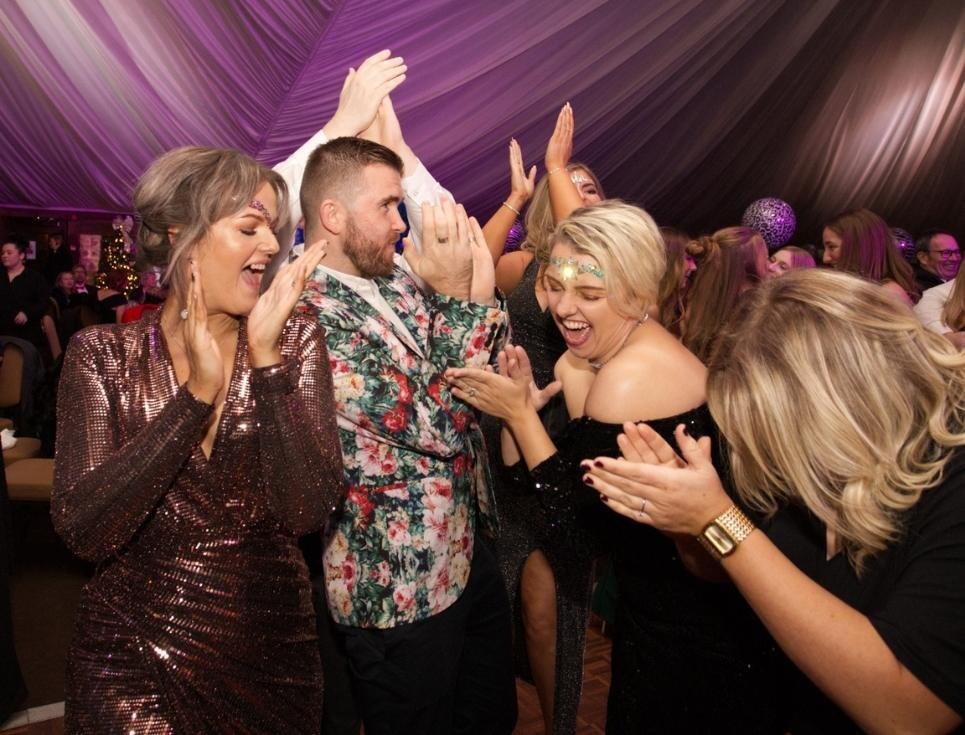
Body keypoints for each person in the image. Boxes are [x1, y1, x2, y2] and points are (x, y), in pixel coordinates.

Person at [446, 200, 785, 734]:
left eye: (589, 293)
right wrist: (524, 415)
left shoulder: (629, 378)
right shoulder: (606, 360)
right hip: (666, 616)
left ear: (640, 292)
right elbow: (539, 488)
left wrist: (519, 417)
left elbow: (578, 544)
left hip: (690, 634)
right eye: (555, 285)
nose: (563, 306)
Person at [587, 268, 965, 733]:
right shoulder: (815, 469)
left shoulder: (953, 483)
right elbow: (740, 573)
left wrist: (716, 519)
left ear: (847, 405)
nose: (774, 458)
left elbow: (912, 713)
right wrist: (685, 528)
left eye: (782, 435)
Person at [50, 146, 343, 733]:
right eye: (249, 227)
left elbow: (308, 508)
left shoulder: (296, 340)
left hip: (270, 655)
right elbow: (85, 529)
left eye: (274, 231)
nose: (270, 246)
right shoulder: (102, 357)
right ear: (181, 232)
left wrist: (266, 363)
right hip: (131, 659)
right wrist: (193, 401)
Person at [284, 123, 516, 729]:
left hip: (466, 550)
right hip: (397, 581)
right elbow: (440, 422)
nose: (400, 221)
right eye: (386, 204)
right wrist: (458, 300)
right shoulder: (306, 316)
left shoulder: (394, 276)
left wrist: (467, 300)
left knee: (491, 715)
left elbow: (476, 375)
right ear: (332, 215)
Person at [681, 226, 768, 363]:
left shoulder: (698, 290)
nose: (769, 265)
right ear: (753, 262)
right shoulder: (755, 306)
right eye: (767, 258)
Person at [822, 208, 919, 306]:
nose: (825, 258)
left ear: (859, 247)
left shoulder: (888, 294)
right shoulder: (861, 289)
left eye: (832, 247)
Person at [0, 237, 50, 353]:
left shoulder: (35, 278)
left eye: (9, 253)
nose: (4, 255)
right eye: (2, 253)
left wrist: (27, 313)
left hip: (26, 333)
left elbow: (43, 303)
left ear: (21, 255)